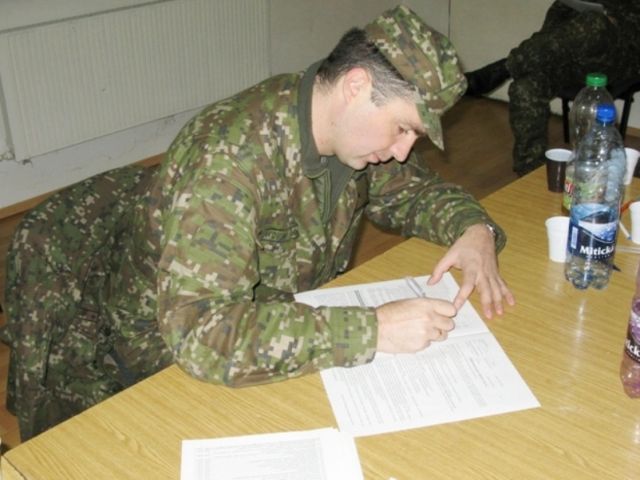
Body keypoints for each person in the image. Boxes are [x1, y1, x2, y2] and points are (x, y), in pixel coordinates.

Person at [1, 4, 515, 441]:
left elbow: (411, 190)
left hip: (279, 323)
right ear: (356, 86)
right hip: (165, 358)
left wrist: (473, 229)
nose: (403, 150)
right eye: (403, 128)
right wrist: (373, 329)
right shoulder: (228, 162)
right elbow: (202, 334)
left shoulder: (339, 133)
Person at [464, 0, 640, 176]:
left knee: (595, 23)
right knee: (525, 88)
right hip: (571, 59)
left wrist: (614, 23)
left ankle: (503, 68)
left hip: (619, 60)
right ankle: (531, 173)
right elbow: (552, 26)